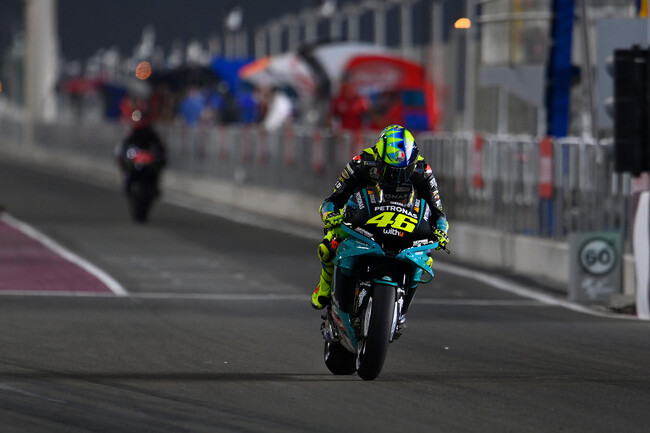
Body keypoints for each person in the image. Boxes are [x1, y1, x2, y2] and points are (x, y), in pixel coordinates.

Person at [311, 124, 449, 310]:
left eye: (403, 171)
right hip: (364, 217)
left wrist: (441, 231)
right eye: (391, 170)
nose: (397, 178)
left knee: (426, 257)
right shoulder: (361, 163)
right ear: (379, 158)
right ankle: (325, 285)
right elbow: (332, 201)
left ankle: (403, 308)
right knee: (329, 244)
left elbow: (438, 213)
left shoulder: (423, 171)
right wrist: (331, 216)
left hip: (402, 222)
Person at [115, 103, 167, 194]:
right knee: (127, 169)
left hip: (148, 163)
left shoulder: (151, 134)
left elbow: (160, 150)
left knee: (155, 171)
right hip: (135, 162)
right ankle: (127, 183)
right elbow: (123, 148)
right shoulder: (132, 134)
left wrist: (158, 157)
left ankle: (154, 186)